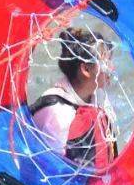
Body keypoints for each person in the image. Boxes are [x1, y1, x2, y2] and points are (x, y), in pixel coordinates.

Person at [31, 27, 118, 169]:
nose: (112, 68)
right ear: (86, 69)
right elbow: (52, 169)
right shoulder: (58, 112)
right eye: (106, 62)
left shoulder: (97, 99)